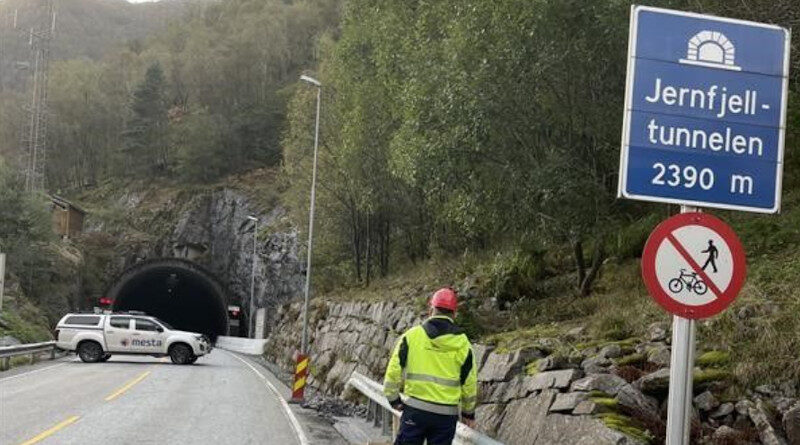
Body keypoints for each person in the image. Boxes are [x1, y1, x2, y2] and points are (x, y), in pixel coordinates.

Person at [383, 287, 478, 445]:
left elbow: (393, 372)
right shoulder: (464, 344)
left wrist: (394, 400)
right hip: (445, 417)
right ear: (454, 314)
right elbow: (469, 383)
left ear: (431, 309)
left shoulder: (411, 336)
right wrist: (468, 413)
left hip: (415, 411)